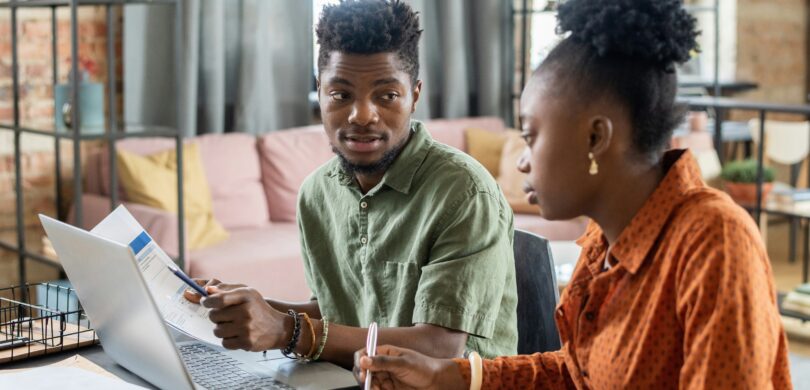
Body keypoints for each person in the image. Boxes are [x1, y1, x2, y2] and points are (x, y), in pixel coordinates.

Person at [353, 0, 793, 388]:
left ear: (596, 137)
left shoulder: (715, 242)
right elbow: (575, 372)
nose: (523, 162)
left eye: (531, 136)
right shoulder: (603, 241)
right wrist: (446, 376)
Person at [185, 0, 518, 368]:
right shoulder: (316, 193)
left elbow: (438, 346)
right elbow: (337, 311)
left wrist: (286, 329)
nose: (362, 115)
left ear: (415, 96)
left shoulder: (464, 192)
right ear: (320, 92)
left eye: (387, 95)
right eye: (341, 95)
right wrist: (249, 307)